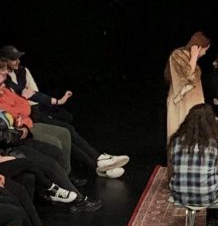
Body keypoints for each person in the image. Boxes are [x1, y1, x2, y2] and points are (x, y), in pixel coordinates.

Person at [1, 47, 128, 179]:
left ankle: (99, 163)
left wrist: (58, 101)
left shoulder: (22, 72)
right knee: (64, 133)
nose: (17, 62)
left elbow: (34, 95)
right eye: (12, 60)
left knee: (67, 125)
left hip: (33, 113)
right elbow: (16, 109)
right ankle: (98, 163)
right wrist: (24, 101)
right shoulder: (4, 86)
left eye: (17, 59)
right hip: (23, 122)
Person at [168, 103, 218, 226]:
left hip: (180, 194)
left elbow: (172, 164)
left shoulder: (176, 141)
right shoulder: (216, 142)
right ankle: (212, 222)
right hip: (208, 195)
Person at [165, 32, 210, 146]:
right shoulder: (177, 55)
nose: (205, 53)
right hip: (182, 102)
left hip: (193, 101)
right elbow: (187, 77)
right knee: (181, 130)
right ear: (198, 47)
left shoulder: (191, 60)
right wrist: (194, 56)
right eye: (205, 49)